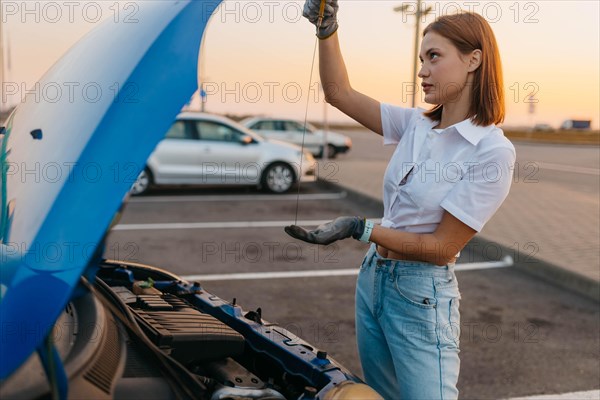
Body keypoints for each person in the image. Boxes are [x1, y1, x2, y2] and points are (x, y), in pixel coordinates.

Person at [285, 2, 516, 399]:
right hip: (374, 278)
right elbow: (338, 93)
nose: (422, 70)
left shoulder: (491, 151)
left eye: (434, 57)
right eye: (421, 58)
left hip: (420, 294)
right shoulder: (416, 123)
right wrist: (327, 31)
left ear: (474, 60)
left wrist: (362, 228)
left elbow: (443, 248)